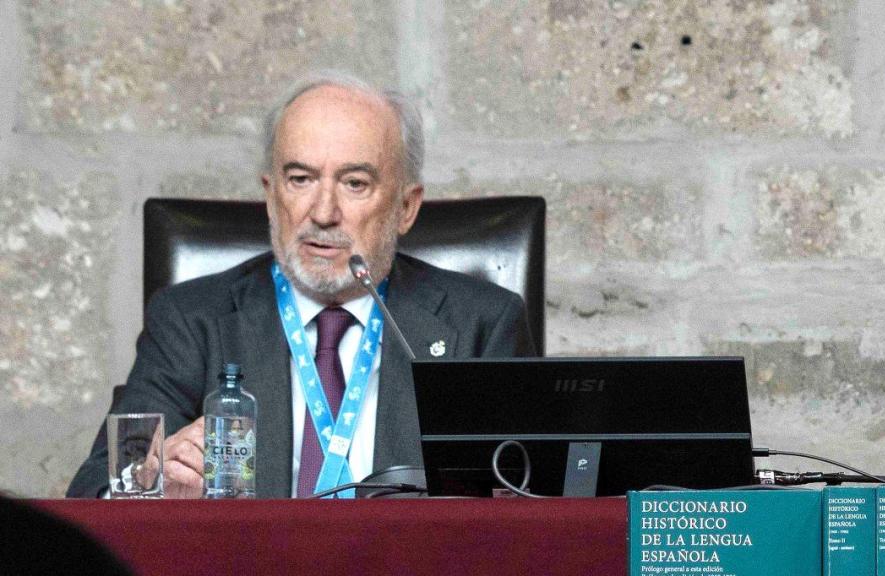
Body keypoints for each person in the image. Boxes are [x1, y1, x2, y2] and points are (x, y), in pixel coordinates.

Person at [67, 71, 536, 499]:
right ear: (271, 197)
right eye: (300, 179)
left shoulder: (481, 324)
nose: (323, 212)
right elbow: (94, 490)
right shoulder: (192, 321)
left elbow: (534, 505)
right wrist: (150, 483)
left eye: (354, 183)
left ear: (406, 208)